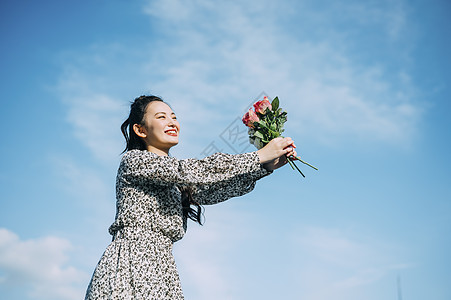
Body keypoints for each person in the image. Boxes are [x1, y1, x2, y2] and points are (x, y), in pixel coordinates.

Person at [85, 95, 297, 299]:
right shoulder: (134, 161)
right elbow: (195, 170)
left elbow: (214, 190)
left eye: (174, 117)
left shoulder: (176, 182)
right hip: (131, 263)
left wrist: (264, 167)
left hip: (162, 270)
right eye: (161, 117)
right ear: (140, 130)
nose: (172, 123)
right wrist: (258, 156)